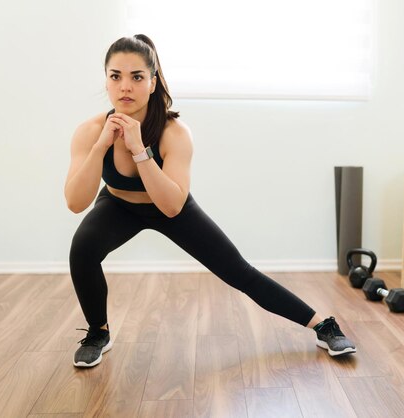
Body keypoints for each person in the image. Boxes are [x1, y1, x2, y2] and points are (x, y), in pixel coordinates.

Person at [64, 34, 356, 368]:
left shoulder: (175, 133)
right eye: (116, 76)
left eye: (137, 77)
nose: (125, 87)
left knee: (237, 271)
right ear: (106, 81)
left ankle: (323, 325)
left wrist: (138, 149)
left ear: (153, 82)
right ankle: (98, 332)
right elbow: (75, 202)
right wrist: (101, 145)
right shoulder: (89, 132)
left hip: (167, 204)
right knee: (82, 249)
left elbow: (172, 206)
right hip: (117, 205)